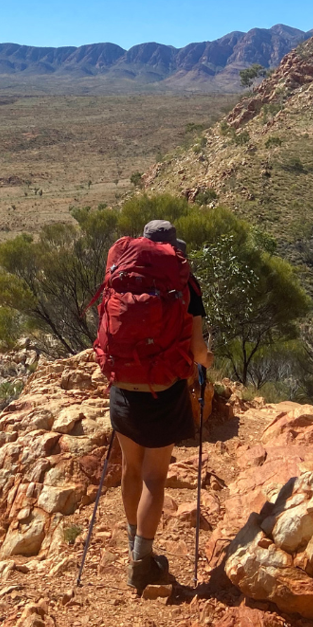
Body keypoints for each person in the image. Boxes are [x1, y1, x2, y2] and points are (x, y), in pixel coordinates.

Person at [107, 219, 212, 593]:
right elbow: (198, 351)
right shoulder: (185, 283)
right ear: (174, 248)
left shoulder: (122, 273)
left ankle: (135, 547)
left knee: (130, 470)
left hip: (121, 389)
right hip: (162, 392)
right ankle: (143, 560)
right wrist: (207, 362)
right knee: (154, 477)